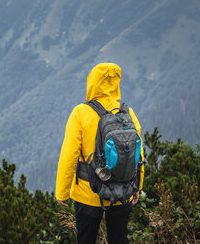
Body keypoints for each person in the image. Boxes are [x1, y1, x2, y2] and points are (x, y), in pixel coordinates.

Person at [55, 63, 144, 244]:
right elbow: (138, 154)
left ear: (93, 82)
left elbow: (69, 154)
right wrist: (137, 186)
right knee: (119, 239)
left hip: (88, 193)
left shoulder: (81, 113)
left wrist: (62, 192)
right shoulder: (127, 113)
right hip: (122, 190)